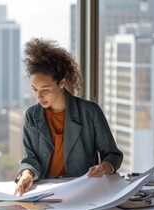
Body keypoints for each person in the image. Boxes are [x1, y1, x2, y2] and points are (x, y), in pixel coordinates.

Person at [14, 38, 123, 196]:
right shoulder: (32, 115)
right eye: (34, 89)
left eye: (45, 89)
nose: (39, 96)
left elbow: (113, 154)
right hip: (44, 191)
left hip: (82, 189)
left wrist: (103, 167)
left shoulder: (90, 112)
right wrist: (26, 175)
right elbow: (30, 157)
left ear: (62, 83)